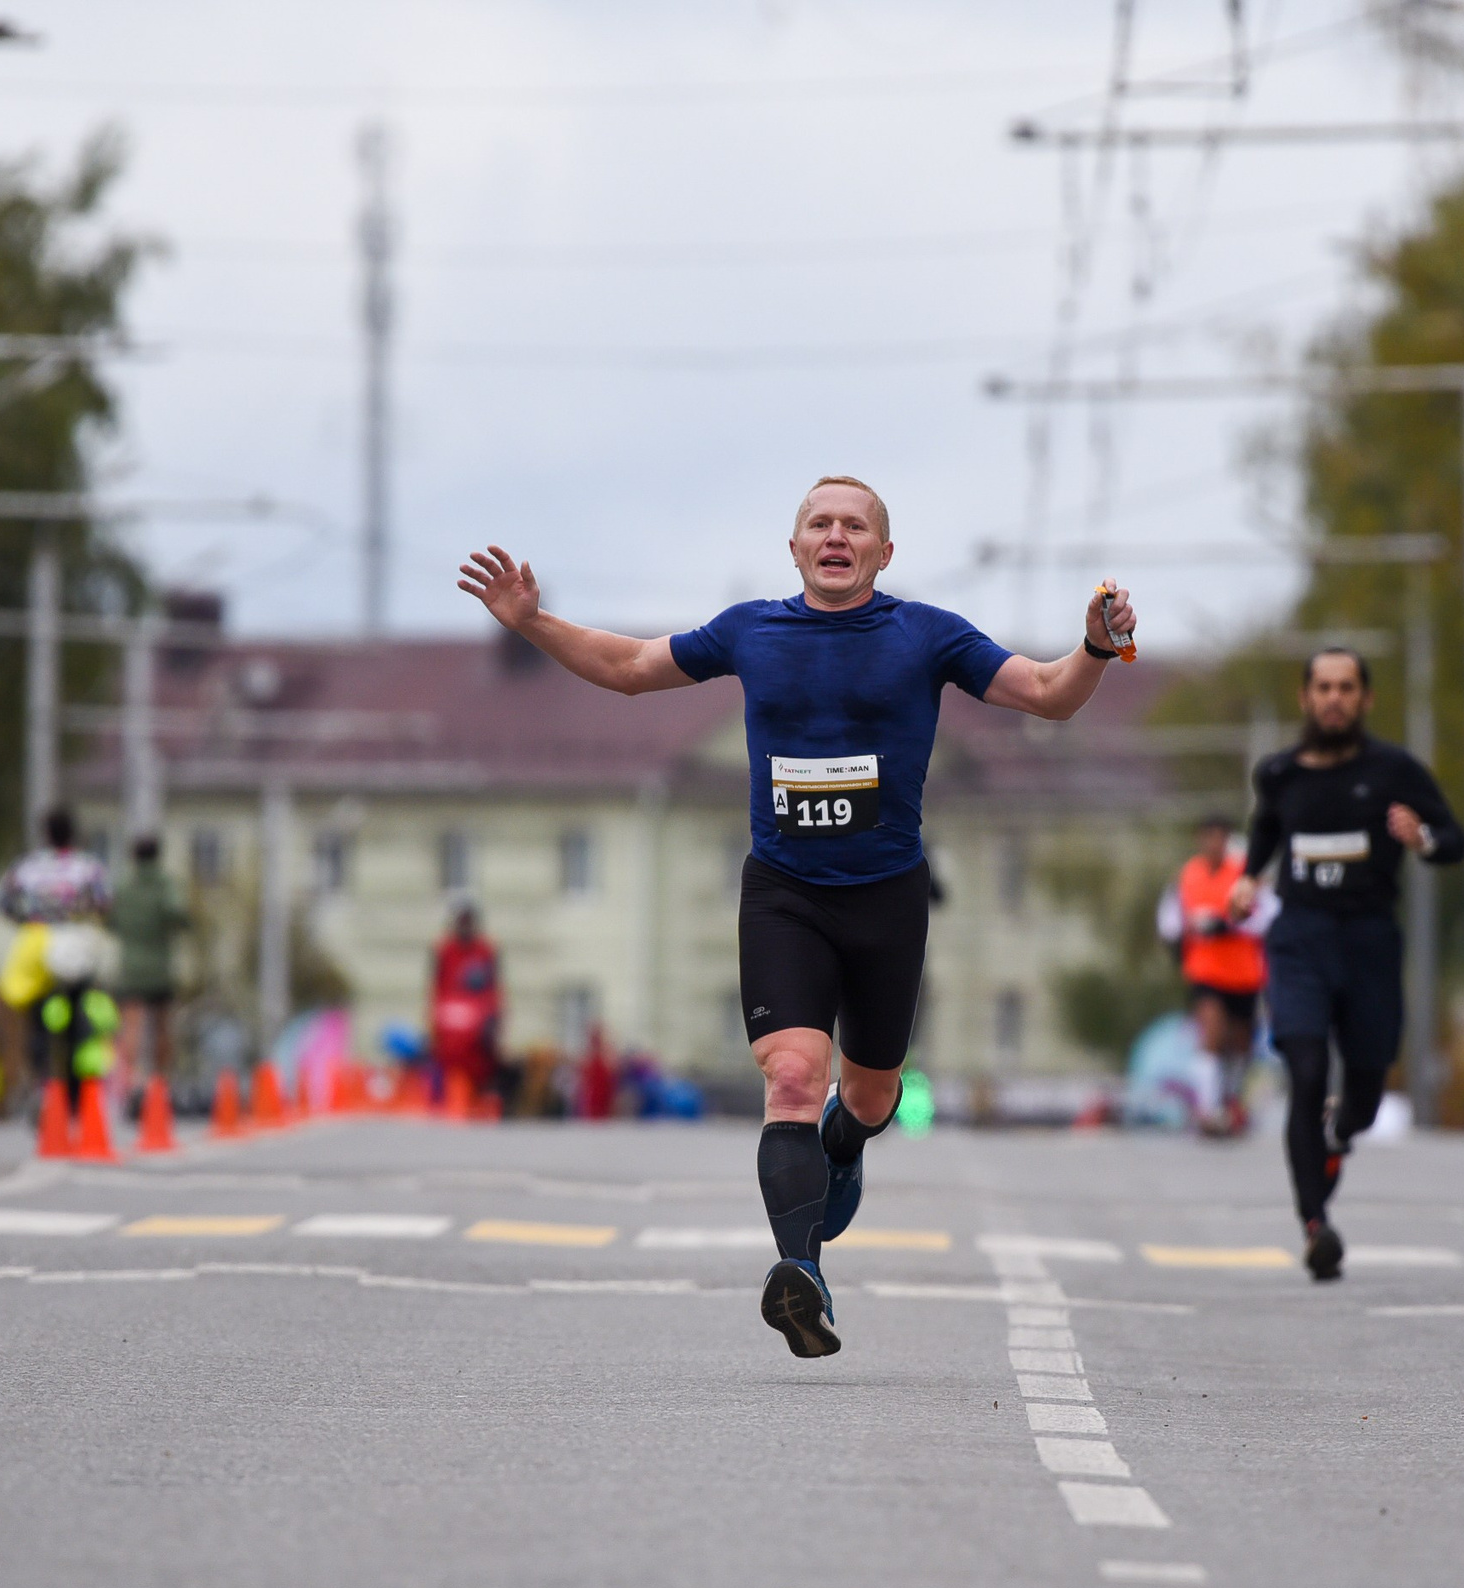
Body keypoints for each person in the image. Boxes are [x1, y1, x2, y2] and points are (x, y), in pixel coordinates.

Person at [459, 475, 1134, 1359]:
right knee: (790, 1072)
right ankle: (800, 1273)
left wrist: (1090, 645)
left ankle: (844, 1142)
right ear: (795, 547)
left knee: (871, 1092)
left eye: (856, 526)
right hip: (784, 892)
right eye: (820, 523)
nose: (837, 535)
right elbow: (627, 670)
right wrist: (534, 622)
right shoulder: (752, 630)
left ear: (884, 552)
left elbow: (1047, 692)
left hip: (888, 896)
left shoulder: (926, 634)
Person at [1230, 647, 1463, 1282]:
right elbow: (1266, 831)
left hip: (1368, 939)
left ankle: (1341, 1134)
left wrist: (1422, 838)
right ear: (1305, 698)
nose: (1334, 698)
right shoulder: (1279, 773)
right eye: (1323, 687)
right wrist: (1250, 877)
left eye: (1347, 687)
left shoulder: (1395, 772)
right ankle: (1314, 1226)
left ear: (1365, 700)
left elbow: (1455, 841)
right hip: (1300, 938)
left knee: (1363, 1089)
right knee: (1304, 1071)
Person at [1158, 814, 1270, 1138]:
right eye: (1207, 836)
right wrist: (1184, 941)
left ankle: (1230, 1100)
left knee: (1239, 1045)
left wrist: (1227, 925)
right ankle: (1207, 1111)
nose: (1213, 843)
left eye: (1219, 837)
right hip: (1205, 971)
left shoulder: (1245, 875)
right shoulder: (1187, 875)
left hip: (1244, 973)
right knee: (1210, 1034)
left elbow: (1266, 916)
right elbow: (1170, 921)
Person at [0, 805, 112, 1108]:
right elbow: (103, 903)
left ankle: (41, 1082)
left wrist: (26, 919)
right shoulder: (88, 867)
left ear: (45, 834)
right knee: (77, 1017)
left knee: (35, 1017)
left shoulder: (28, 867)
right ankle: (75, 1092)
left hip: (38, 942)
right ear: (73, 834)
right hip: (74, 945)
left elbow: (3, 902)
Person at [110, 834, 190, 1111]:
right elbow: (179, 914)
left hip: (130, 968)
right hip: (159, 968)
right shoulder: (165, 884)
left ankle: (133, 1081)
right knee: (162, 1027)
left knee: (131, 1025)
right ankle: (160, 1081)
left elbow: (110, 919)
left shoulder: (123, 886)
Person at [429, 901, 501, 1106]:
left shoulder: (485, 951)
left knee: (483, 1065)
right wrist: (435, 1020)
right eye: (462, 921)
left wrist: (493, 1018)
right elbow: (436, 988)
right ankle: (443, 1102)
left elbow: (493, 988)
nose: (465, 926)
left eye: (468, 921)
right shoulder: (445, 951)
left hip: (477, 1031)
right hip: (450, 1029)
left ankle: (480, 1101)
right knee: (444, 1065)